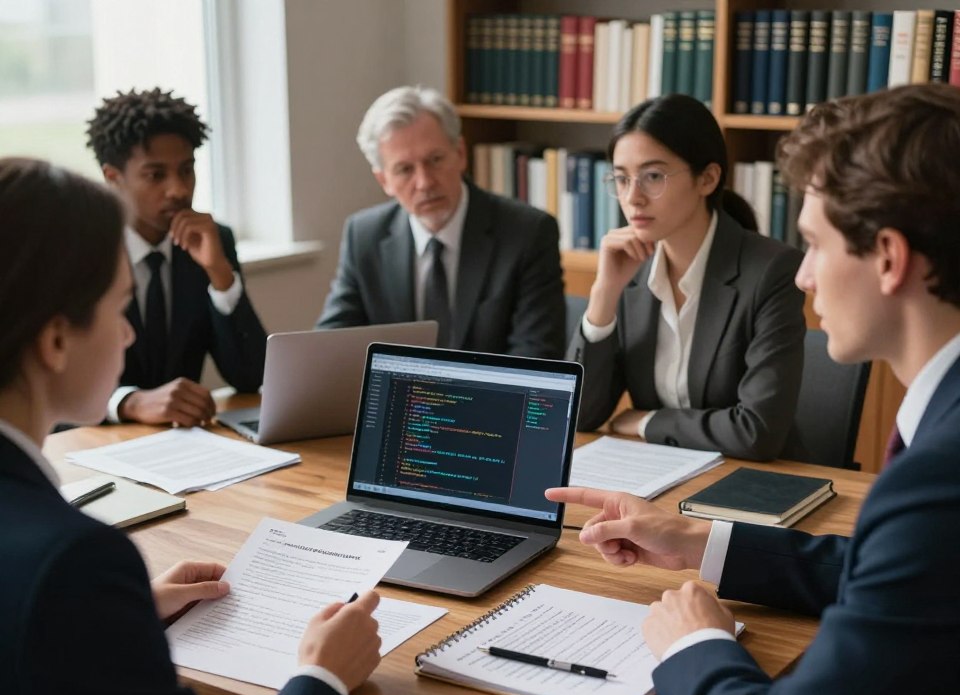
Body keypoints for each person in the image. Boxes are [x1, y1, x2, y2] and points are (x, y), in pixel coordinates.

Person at [548, 83, 960, 695]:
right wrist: (697, 539)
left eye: (814, 244)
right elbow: (892, 571)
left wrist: (693, 641)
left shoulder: (938, 480)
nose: (802, 276)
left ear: (888, 257)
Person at [0, 157, 381, 695]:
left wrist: (112, 616)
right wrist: (322, 681)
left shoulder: (68, 577)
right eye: (119, 309)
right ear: (54, 341)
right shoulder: (74, 562)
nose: (127, 335)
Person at [569, 94, 805, 461]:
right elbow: (580, 416)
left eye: (652, 177)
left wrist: (649, 422)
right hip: (661, 476)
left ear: (707, 179)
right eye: (620, 178)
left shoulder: (772, 271)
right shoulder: (631, 271)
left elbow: (757, 432)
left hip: (750, 482)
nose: (633, 198)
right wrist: (604, 293)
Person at [316, 85, 566, 359]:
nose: (424, 182)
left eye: (435, 160)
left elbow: (536, 356)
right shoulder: (364, 235)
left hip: (489, 400)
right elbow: (332, 343)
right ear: (384, 180)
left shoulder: (528, 233)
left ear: (460, 153)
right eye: (405, 169)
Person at [86, 88, 267, 427]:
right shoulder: (79, 251)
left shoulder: (214, 240)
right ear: (113, 178)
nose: (179, 190)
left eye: (186, 170)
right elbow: (46, 387)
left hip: (186, 451)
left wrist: (220, 274)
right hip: (98, 450)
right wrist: (128, 402)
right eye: (156, 175)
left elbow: (250, 376)